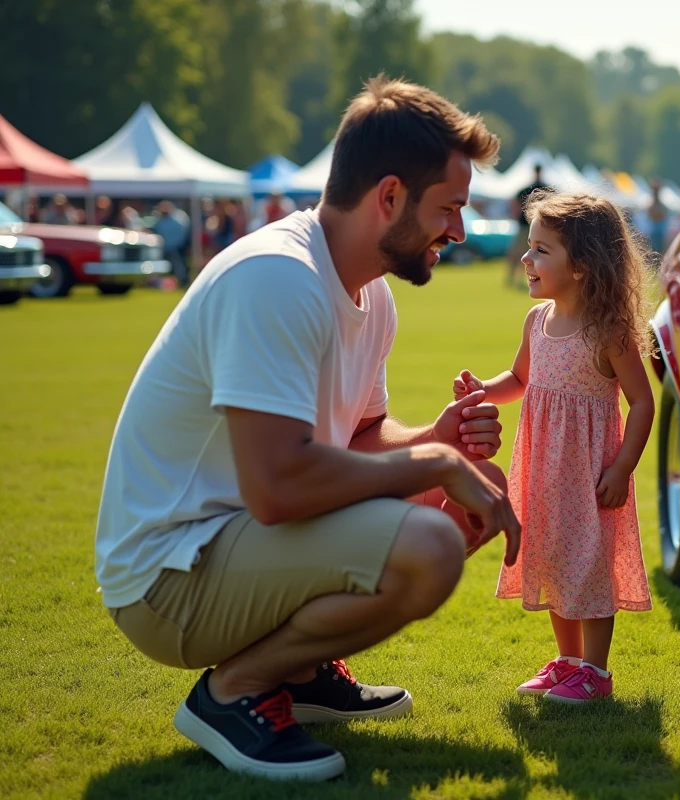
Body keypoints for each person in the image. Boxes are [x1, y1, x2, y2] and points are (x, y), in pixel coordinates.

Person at [94, 76, 520, 782]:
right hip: (165, 579)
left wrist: (438, 440)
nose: (460, 231)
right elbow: (279, 488)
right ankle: (236, 691)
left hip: (234, 543)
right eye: (449, 208)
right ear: (389, 197)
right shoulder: (277, 276)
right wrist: (437, 464)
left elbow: (358, 444)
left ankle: (299, 674)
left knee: (472, 493)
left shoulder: (370, 292)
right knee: (432, 543)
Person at [453, 190, 655, 703]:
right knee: (553, 559)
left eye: (541, 250)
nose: (526, 258)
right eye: (529, 246)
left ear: (583, 265)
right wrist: (483, 390)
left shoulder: (608, 333)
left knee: (589, 566)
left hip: (589, 476)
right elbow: (520, 378)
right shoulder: (536, 322)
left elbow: (642, 403)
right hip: (542, 471)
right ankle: (568, 663)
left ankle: (596, 672)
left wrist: (622, 468)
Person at [505, 164, 548, 287]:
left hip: (534, 226)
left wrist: (514, 214)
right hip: (530, 225)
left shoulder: (535, 188)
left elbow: (515, 203)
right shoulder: (542, 188)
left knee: (523, 253)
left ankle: (519, 277)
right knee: (520, 253)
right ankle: (513, 277)